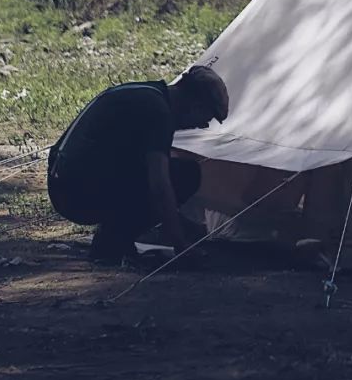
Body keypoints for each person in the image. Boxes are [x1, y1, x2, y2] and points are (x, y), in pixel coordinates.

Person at [47, 65, 229, 266]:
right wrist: (180, 243)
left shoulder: (148, 93)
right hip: (75, 193)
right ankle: (111, 242)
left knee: (175, 173)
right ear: (195, 104)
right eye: (206, 118)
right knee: (185, 176)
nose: (202, 125)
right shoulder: (158, 113)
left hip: (63, 181)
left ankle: (115, 237)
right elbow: (160, 184)